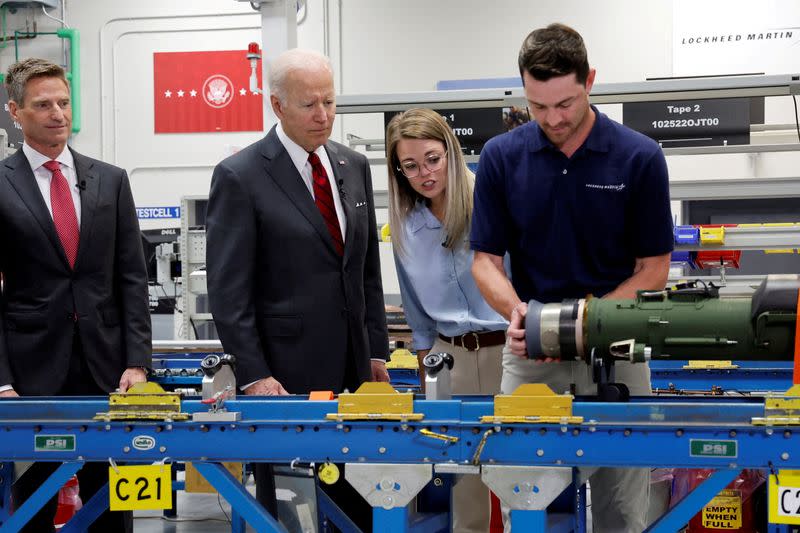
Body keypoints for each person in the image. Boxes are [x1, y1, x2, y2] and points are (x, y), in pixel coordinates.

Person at [470, 23, 673, 533]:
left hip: (621, 346)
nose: (552, 119)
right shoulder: (501, 157)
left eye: (565, 103)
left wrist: (590, 321)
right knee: (523, 497)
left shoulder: (639, 157)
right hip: (533, 347)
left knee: (622, 507)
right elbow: (485, 261)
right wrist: (516, 313)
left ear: (591, 81)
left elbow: (653, 268)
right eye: (538, 106)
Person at [205, 48, 390, 531]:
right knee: (290, 510)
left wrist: (377, 354)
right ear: (277, 105)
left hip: (354, 376)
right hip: (283, 380)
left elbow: (365, 270)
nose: (323, 115)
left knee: (355, 504)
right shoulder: (240, 176)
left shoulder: (352, 165)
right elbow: (229, 293)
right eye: (309, 104)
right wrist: (255, 375)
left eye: (329, 101)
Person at [0, 57, 151, 533]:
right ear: (15, 111)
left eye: (63, 102)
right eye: (43, 105)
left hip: (107, 369)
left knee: (111, 497)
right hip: (32, 374)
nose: (57, 114)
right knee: (33, 497)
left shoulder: (111, 179)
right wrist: (1, 379)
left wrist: (138, 363)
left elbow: (132, 277)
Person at [385, 108, 507, 533]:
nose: (425, 174)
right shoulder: (404, 224)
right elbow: (416, 311)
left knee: (518, 477)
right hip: (447, 359)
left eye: (433, 159)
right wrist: (426, 366)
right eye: (411, 166)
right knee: (463, 477)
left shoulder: (493, 201)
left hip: (505, 351)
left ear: (451, 152)